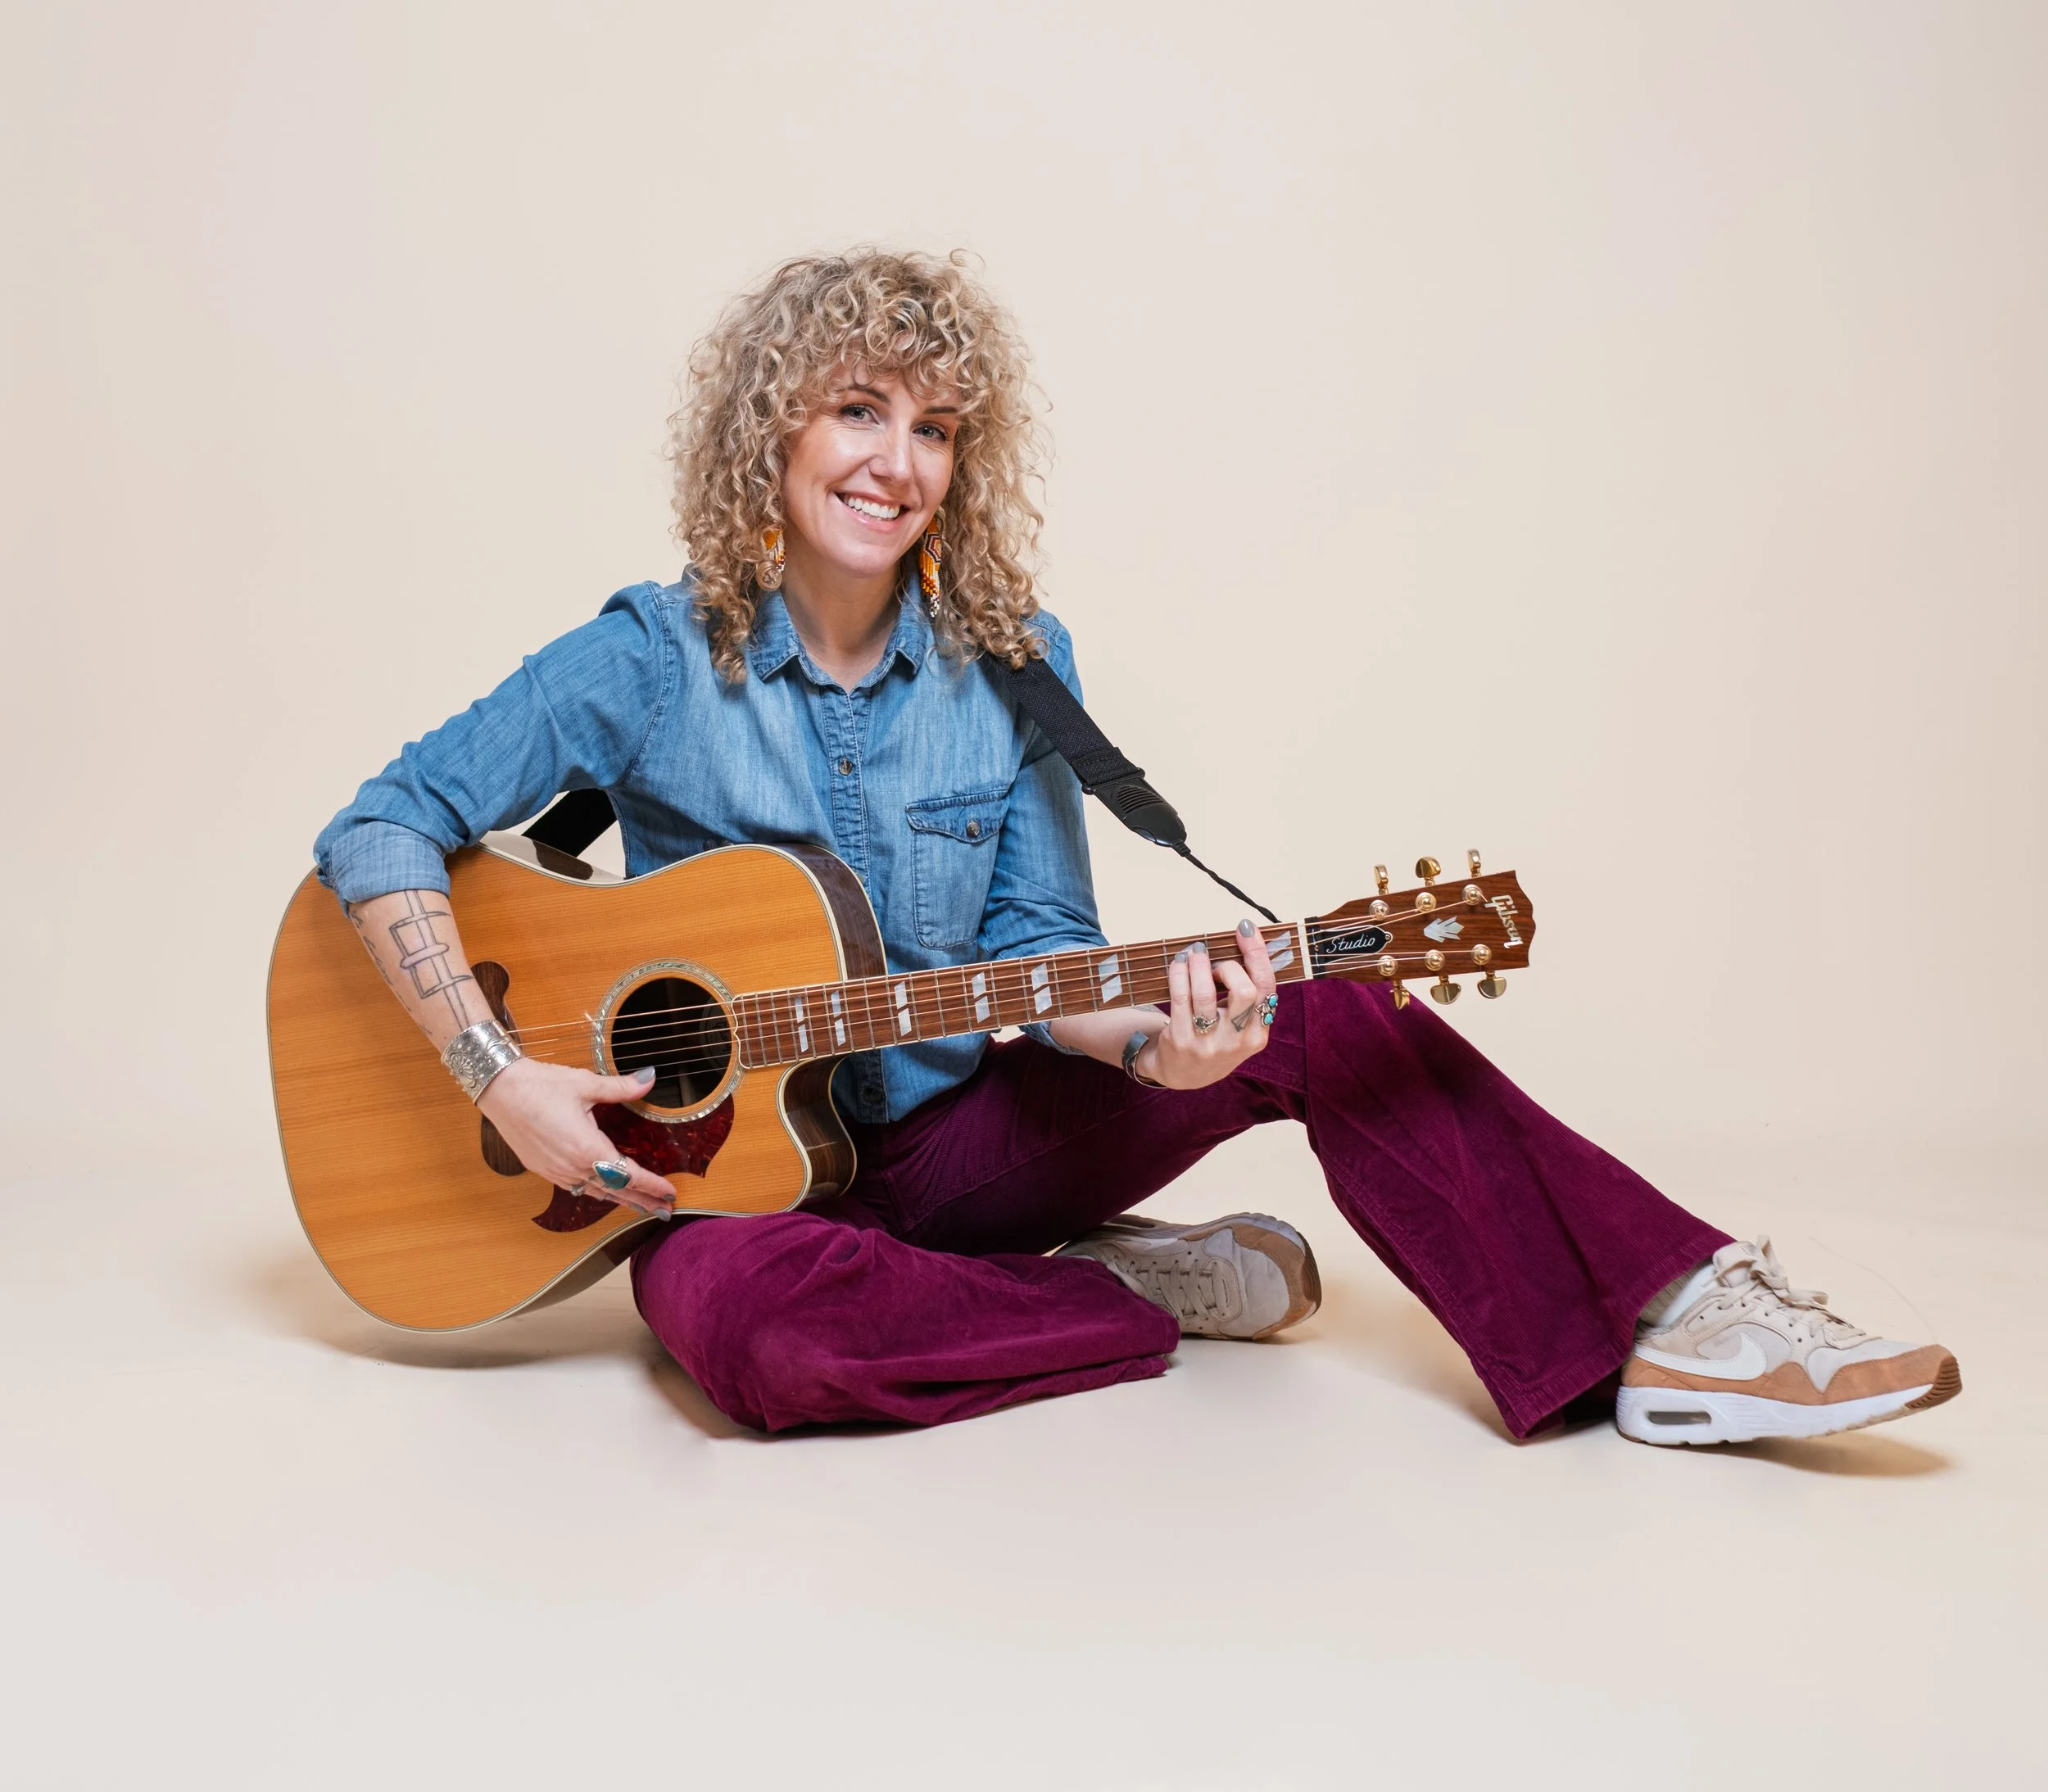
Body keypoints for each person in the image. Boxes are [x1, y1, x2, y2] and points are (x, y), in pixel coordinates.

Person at [315, 250, 1960, 1446]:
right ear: (772, 433)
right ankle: (1120, 1297)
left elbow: (1040, 942)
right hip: (723, 1197)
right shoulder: (649, 660)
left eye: (937, 430)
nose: (896, 463)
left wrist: (1156, 1052)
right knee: (763, 1347)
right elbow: (376, 824)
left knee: (1327, 1006)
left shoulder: (1012, 661)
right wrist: (492, 1071)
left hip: (956, 1144)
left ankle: (1670, 1322)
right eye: (856, 411)